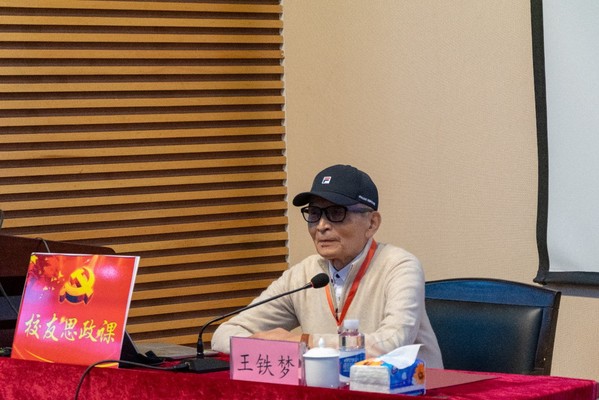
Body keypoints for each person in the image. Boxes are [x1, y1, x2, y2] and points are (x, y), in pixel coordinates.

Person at [211, 164, 443, 368]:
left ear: (372, 223)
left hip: (409, 390)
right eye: (314, 214)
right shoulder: (305, 274)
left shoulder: (400, 266)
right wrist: (271, 344)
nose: (321, 226)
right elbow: (224, 335)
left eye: (336, 213)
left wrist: (306, 342)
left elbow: (392, 342)